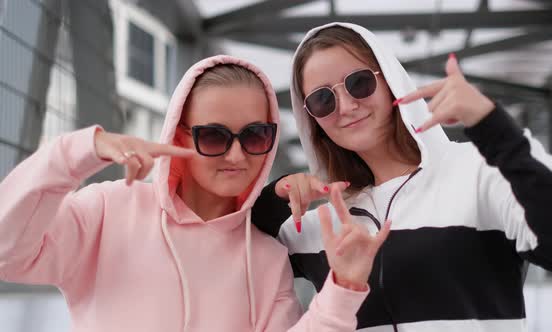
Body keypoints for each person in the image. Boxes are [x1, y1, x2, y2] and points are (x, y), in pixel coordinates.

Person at [0, 55, 391, 331]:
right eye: (214, 136)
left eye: (255, 135)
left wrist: (343, 288)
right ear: (179, 133)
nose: (237, 154)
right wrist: (79, 151)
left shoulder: (266, 259)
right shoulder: (107, 210)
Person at [251, 23, 552, 332]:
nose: (346, 105)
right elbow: (230, 254)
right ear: (312, 120)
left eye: (359, 83)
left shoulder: (479, 171)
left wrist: (493, 125)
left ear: (390, 81)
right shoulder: (317, 224)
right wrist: (274, 200)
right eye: (322, 99)